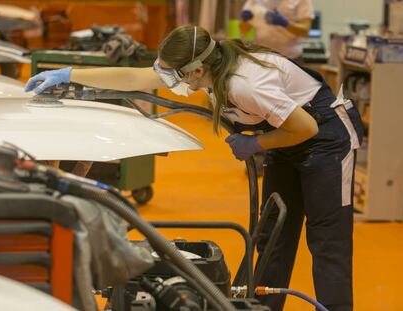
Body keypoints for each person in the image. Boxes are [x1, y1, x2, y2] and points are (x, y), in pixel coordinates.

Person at [25, 25, 363, 311]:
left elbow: (306, 129)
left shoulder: (245, 84)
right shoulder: (211, 70)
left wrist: (255, 144)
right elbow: (135, 75)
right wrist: (69, 73)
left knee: (326, 240)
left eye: (176, 75)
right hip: (287, 134)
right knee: (273, 235)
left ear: (197, 70)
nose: (170, 81)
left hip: (326, 138)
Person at [240, 0, 315, 61]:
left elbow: (305, 31)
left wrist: (285, 23)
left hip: (290, 58)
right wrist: (245, 21)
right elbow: (244, 31)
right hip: (261, 57)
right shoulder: (253, 1)